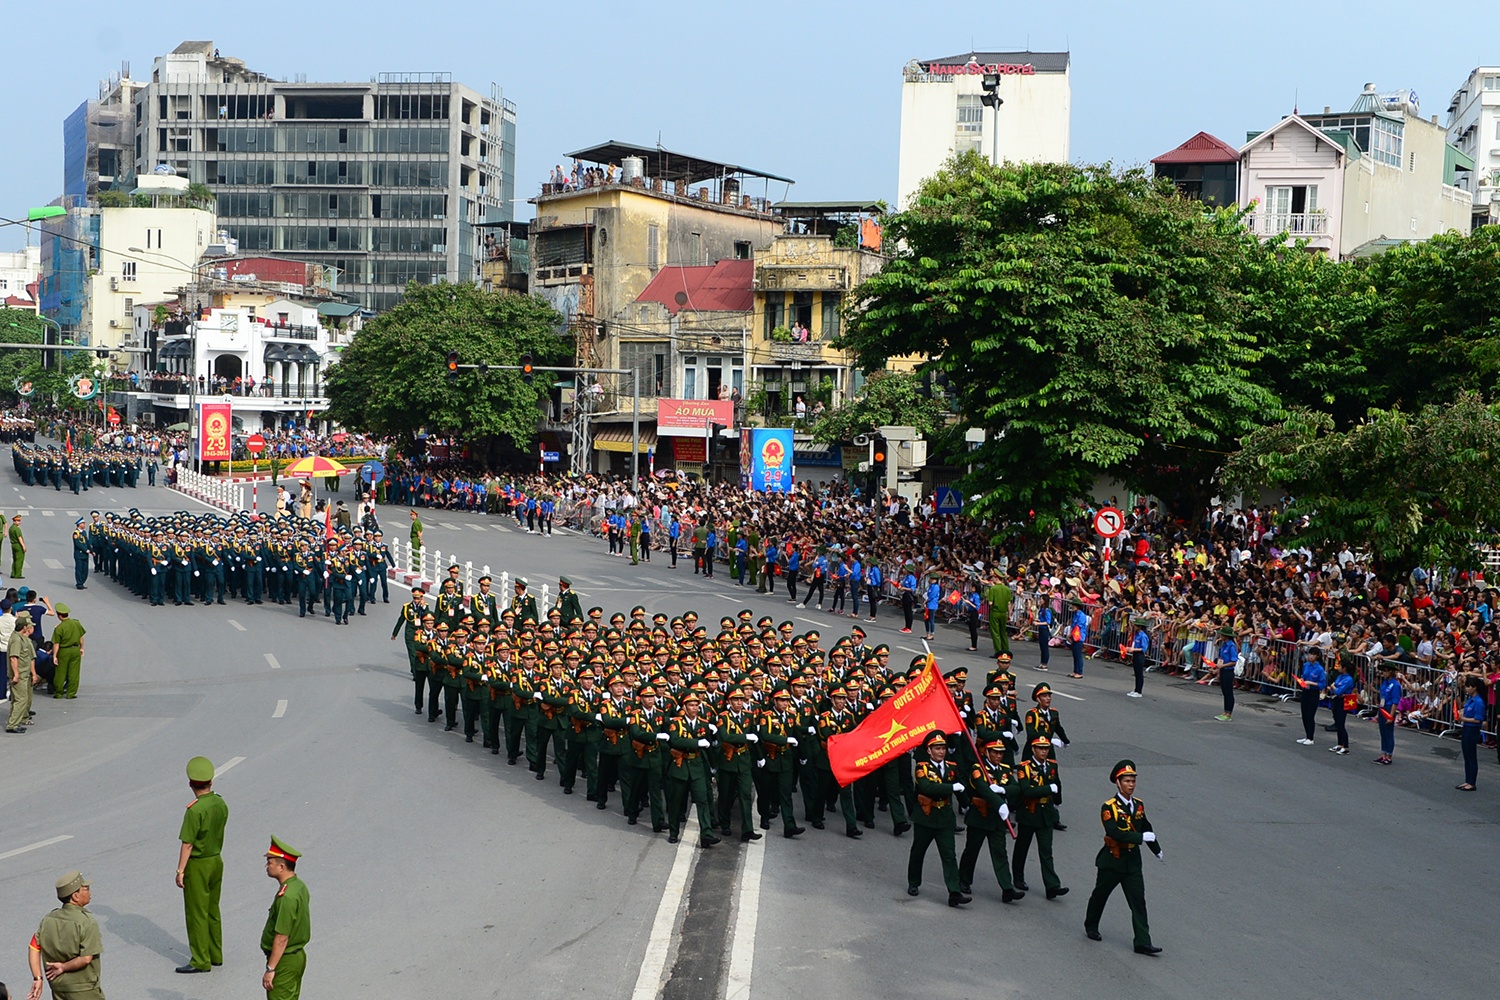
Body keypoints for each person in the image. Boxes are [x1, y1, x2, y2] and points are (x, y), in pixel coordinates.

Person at [1083, 760, 1163, 955]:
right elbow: (1115, 833)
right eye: (1127, 781)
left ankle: (1142, 942)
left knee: (1138, 901)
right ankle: (1091, 925)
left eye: (1133, 781)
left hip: (1132, 863)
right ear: (1118, 783)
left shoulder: (1139, 805)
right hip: (1112, 861)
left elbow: (1146, 827)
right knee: (1100, 895)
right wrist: (1140, 838)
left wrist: (1156, 849)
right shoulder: (1108, 807)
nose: (1131, 784)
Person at [176, 756, 229, 974]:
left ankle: (200, 959)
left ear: (191, 784)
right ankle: (216, 954)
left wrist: (180, 870)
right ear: (211, 782)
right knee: (212, 909)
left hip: (198, 864)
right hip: (216, 859)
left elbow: (187, 844)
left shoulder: (194, 810)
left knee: (196, 912)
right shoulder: (220, 802)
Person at [906, 732, 970, 906]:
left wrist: (966, 804)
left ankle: (954, 892)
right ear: (929, 750)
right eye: (937, 748)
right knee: (918, 851)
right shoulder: (922, 767)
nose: (941, 752)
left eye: (943, 748)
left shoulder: (951, 767)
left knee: (949, 855)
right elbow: (927, 787)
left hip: (944, 818)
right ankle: (913, 882)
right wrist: (950, 787)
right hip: (926, 817)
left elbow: (961, 788)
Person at [957, 736, 1021, 903]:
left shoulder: (1005, 769)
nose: (999, 756)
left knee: (1000, 853)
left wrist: (1002, 790)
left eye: (1001, 752)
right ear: (987, 752)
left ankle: (1007, 888)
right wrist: (999, 803)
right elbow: (983, 789)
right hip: (980, 816)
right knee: (972, 851)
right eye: (995, 752)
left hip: (996, 819)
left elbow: (1016, 787)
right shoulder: (978, 769)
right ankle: (964, 880)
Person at [27, 871, 104, 1000]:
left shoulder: (48, 919)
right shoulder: (86, 922)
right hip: (83, 990)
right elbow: (86, 959)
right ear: (75, 896)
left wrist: (38, 978)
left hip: (58, 989)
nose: (90, 892)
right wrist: (63, 967)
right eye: (86, 889)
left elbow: (34, 947)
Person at [1011, 736, 1067, 899]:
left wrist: (1057, 804)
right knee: (1022, 847)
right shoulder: (1024, 768)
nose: (1043, 751)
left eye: (1046, 748)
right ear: (1033, 750)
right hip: (1029, 813)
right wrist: (1048, 788)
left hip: (1046, 814)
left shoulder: (1051, 766)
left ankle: (1052, 886)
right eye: (1040, 748)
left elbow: (1057, 786)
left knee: (1046, 851)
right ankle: (1018, 877)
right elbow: (1027, 791)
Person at [262, 837, 311, 999]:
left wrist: (271, 969)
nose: (266, 866)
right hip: (296, 957)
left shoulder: (286, 896)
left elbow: (282, 937)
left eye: (270, 863)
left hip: (284, 960)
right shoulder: (298, 886)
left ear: (281, 867)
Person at [7, 612, 36, 733]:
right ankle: (13, 724)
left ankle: (16, 721)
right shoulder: (17, 640)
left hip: (24, 673)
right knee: (21, 699)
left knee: (20, 699)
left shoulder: (20, 638)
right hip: (20, 675)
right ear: (24, 627)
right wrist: (16, 674)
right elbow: (14, 657)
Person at [1457, 674, 1487, 791]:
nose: (1466, 689)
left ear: (1474, 688)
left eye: (1468, 687)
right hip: (1466, 728)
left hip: (1472, 729)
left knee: (1471, 756)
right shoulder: (1470, 699)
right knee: (1466, 755)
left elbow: (1478, 719)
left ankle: (1472, 782)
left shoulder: (1479, 702)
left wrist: (1463, 719)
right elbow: (1467, 709)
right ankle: (1467, 780)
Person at [49, 606, 85, 700]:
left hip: (64, 650)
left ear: (59, 615)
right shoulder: (76, 623)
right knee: (74, 673)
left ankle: (59, 693)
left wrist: (54, 656)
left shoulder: (59, 628)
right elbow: (81, 638)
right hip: (75, 649)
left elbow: (56, 643)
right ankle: (71, 693)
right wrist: (82, 648)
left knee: (60, 672)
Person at [1294, 646, 1327, 746]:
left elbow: (1322, 684)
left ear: (1317, 656)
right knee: (1304, 714)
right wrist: (1302, 681)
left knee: (1310, 715)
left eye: (1313, 654)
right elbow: (1303, 676)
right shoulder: (1306, 665)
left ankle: (1310, 737)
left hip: (1313, 692)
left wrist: (1311, 683)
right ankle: (1306, 735)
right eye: (1309, 654)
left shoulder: (1319, 669)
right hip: (1305, 691)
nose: (1310, 656)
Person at [1327, 655, 1357, 755]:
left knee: (1341, 723)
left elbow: (1339, 691)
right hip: (1336, 700)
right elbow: (1333, 687)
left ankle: (1346, 746)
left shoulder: (1348, 679)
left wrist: (1333, 687)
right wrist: (1333, 688)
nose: (1338, 667)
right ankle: (1340, 744)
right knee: (1337, 722)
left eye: (1339, 666)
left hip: (1343, 701)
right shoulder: (1339, 677)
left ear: (1344, 668)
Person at [1374, 660, 1401, 765]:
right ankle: (1383, 754)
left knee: (1388, 733)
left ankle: (1389, 756)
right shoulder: (1385, 682)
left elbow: (1395, 701)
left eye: (1387, 671)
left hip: (1389, 708)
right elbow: (1382, 697)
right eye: (1384, 671)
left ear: (1391, 672)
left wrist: (1391, 716)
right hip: (1382, 707)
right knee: (1382, 732)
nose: (1384, 673)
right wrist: (1378, 713)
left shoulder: (1395, 685)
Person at [1212, 626, 1237, 720]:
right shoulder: (1224, 645)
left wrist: (1223, 666)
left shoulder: (1231, 646)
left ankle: (1229, 713)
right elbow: (1221, 658)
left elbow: (1234, 661)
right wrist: (1217, 669)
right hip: (1223, 670)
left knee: (1228, 692)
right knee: (1224, 691)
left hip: (1228, 671)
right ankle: (1225, 711)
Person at [10, 513, 26, 578]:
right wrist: (23, 546)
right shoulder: (17, 529)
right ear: (15, 521)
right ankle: (18, 574)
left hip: (13, 544)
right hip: (18, 545)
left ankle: (13, 573)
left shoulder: (11, 528)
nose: (19, 522)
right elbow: (19, 538)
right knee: (19, 560)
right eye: (18, 521)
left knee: (15, 560)